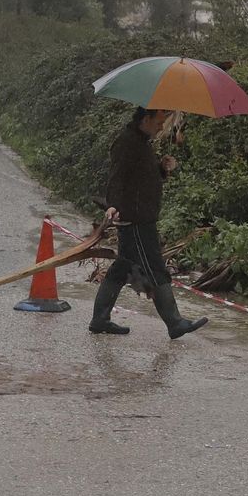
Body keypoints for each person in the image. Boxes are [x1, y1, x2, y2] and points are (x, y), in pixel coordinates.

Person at [89, 107, 208, 339]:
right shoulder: (127, 143)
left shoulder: (141, 142)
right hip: (135, 220)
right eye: (158, 122)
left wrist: (162, 169)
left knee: (122, 270)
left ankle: (99, 319)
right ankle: (174, 322)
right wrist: (113, 205)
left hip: (142, 216)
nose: (161, 127)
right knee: (154, 268)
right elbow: (117, 178)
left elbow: (142, 178)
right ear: (145, 119)